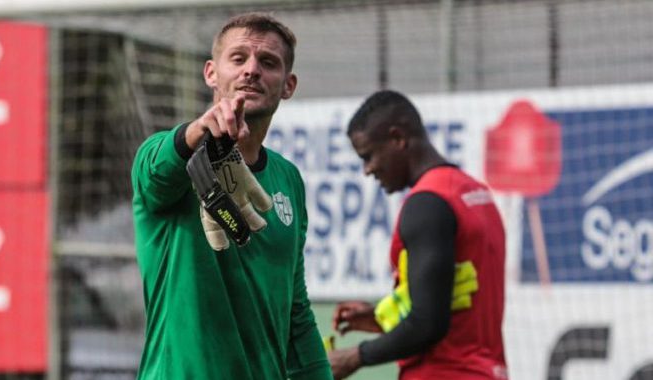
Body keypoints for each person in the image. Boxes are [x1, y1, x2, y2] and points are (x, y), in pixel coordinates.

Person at [131, 12, 333, 379]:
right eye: (238, 58)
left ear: (288, 85)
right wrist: (196, 138)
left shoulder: (288, 178)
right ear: (211, 73)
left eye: (267, 62)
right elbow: (153, 175)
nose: (251, 70)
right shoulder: (169, 157)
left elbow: (295, 310)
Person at [327, 90, 508, 379]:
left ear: (398, 139)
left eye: (368, 156)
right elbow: (455, 301)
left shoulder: (427, 204)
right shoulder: (476, 195)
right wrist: (381, 317)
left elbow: (428, 324)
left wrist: (353, 357)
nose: (367, 170)